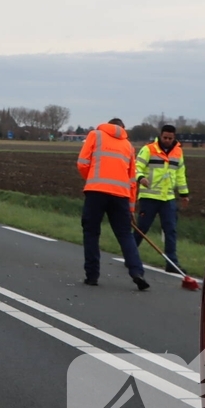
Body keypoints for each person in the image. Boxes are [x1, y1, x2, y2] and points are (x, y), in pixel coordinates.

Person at [76, 119, 150, 290]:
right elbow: (132, 181)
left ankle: (92, 275)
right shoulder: (128, 146)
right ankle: (137, 272)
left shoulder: (95, 135)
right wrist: (131, 208)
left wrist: (92, 180)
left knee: (91, 232)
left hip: (96, 192)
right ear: (122, 129)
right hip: (121, 196)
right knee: (125, 235)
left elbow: (82, 163)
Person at [133, 124, 190, 273]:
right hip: (149, 196)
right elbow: (136, 166)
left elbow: (180, 174)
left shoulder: (178, 152)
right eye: (165, 137)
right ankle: (130, 255)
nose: (167, 140)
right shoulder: (149, 149)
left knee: (170, 230)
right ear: (160, 135)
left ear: (174, 137)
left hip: (168, 198)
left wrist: (184, 194)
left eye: (170, 138)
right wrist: (140, 178)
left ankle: (172, 263)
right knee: (142, 228)